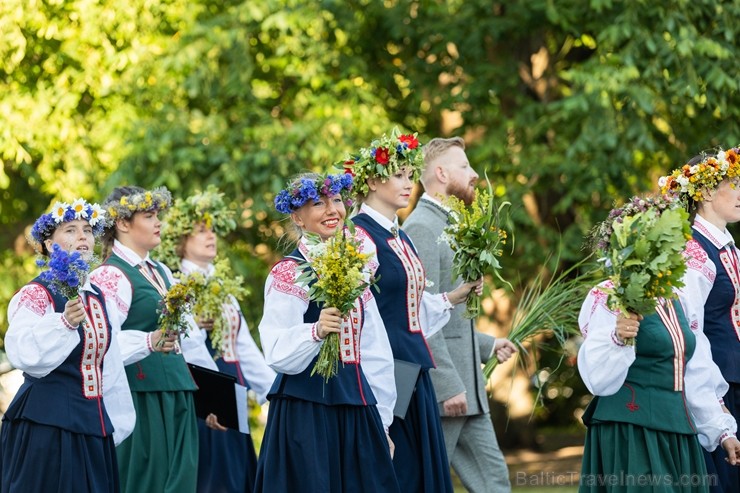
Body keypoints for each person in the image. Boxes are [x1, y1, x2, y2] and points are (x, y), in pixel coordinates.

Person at [345, 128, 484, 493]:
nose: (409, 184)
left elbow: (413, 307)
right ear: (373, 181)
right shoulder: (358, 237)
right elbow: (358, 314)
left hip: (413, 365)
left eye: (410, 175)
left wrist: (455, 296)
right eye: (399, 175)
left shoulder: (400, 235)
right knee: (399, 471)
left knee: (421, 472)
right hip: (384, 369)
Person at [578, 196, 740, 493]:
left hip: (677, 431)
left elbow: (693, 366)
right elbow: (598, 379)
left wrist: (720, 431)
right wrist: (617, 338)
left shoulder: (675, 299)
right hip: (631, 431)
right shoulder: (610, 295)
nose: (680, 250)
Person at [254, 172, 399, 493]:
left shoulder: (357, 269)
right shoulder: (290, 272)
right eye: (318, 204)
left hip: (357, 408)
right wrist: (316, 332)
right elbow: (276, 350)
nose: (332, 210)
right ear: (298, 218)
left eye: (336, 200)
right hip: (306, 413)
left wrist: (382, 421)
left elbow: (374, 349)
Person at [402, 136, 516, 493]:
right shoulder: (421, 228)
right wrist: (448, 386)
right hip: (446, 391)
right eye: (464, 166)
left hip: (468, 387)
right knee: (425, 483)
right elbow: (420, 314)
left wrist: (487, 344)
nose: (473, 175)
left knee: (494, 481)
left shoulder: (449, 224)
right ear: (440, 172)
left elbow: (447, 315)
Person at [0, 199, 134, 492]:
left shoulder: (99, 297)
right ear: (49, 245)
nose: (83, 236)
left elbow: (108, 368)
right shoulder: (37, 293)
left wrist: (116, 423)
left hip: (92, 430)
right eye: (70, 230)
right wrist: (64, 324)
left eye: (87, 230)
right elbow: (22, 351)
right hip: (46, 429)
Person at [90, 186, 217, 493]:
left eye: (158, 214)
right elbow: (102, 343)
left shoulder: (160, 270)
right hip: (139, 396)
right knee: (146, 482)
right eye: (149, 216)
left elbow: (190, 339)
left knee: (182, 483)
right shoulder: (110, 276)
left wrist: (215, 396)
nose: (158, 222)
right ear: (122, 223)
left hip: (178, 392)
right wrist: (148, 341)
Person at [157, 187, 276, 493]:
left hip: (231, 386)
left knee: (237, 474)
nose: (210, 236)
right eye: (200, 231)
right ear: (181, 240)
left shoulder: (221, 283)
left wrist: (274, 392)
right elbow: (179, 345)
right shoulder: (175, 285)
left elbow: (243, 346)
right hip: (201, 393)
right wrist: (213, 397)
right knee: (211, 478)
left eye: (212, 230)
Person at [661, 148, 740, 492]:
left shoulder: (728, 248)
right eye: (735, 183)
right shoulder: (692, 253)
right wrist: (717, 422)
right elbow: (690, 339)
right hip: (721, 388)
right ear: (706, 192)